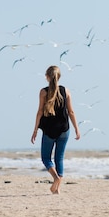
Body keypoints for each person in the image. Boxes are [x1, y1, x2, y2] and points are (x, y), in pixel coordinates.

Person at [31, 65, 80, 194]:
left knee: (46, 158)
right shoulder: (66, 91)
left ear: (47, 77)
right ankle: (56, 187)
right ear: (59, 77)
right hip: (65, 129)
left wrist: (35, 129)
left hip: (49, 130)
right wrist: (76, 128)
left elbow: (40, 112)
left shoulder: (43, 92)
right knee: (59, 158)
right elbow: (71, 111)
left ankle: (56, 179)